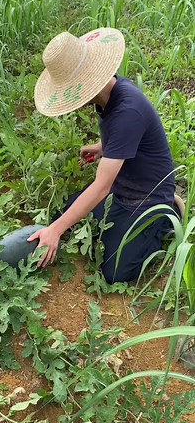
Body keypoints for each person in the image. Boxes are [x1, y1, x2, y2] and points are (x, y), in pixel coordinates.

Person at [28, 28, 183, 283]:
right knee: (67, 210)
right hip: (123, 187)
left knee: (116, 272)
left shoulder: (127, 110)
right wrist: (103, 147)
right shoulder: (109, 96)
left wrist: (55, 231)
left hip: (146, 199)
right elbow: (125, 135)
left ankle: (167, 216)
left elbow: (101, 187)